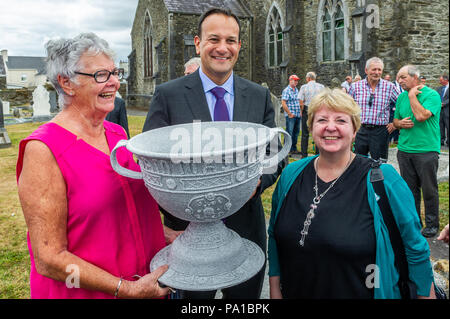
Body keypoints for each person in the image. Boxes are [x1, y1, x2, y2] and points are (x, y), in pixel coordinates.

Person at [142, 7, 285, 299]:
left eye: (231, 40)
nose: (223, 48)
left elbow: (273, 152)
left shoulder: (258, 95)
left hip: (245, 225)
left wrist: (258, 182)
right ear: (198, 43)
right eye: (214, 39)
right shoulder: (168, 95)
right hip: (186, 234)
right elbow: (149, 157)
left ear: (239, 46)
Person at [16, 33, 170, 299]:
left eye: (115, 72)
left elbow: (125, 210)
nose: (115, 82)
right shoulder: (43, 150)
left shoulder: (118, 135)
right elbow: (48, 258)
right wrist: (125, 289)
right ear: (67, 83)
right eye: (101, 75)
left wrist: (168, 235)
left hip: (146, 287)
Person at [268, 88, 436, 299]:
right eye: (322, 120)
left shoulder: (383, 179)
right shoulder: (291, 174)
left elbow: (415, 248)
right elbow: (274, 235)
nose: (331, 127)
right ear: (311, 127)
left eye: (341, 120)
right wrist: (274, 289)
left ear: (355, 130)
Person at [394, 65, 441, 238]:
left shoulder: (432, 95)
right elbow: (395, 121)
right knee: (409, 190)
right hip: (405, 150)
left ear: (416, 78)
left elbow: (421, 116)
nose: (399, 81)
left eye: (403, 77)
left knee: (429, 190)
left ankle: (431, 225)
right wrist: (399, 124)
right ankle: (414, 223)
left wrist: (413, 95)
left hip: (426, 150)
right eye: (398, 77)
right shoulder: (400, 97)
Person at [348, 57, 400, 160]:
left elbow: (402, 104)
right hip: (360, 130)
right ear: (366, 70)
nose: (377, 72)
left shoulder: (390, 87)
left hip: (380, 131)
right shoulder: (355, 87)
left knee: (380, 163)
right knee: (358, 161)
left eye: (379, 70)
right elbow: (347, 108)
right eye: (374, 69)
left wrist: (395, 123)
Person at [298, 72, 324, 158]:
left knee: (305, 134)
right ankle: (318, 154)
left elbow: (301, 101)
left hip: (307, 110)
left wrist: (301, 111)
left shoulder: (304, 87)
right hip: (318, 110)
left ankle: (304, 155)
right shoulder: (321, 87)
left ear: (308, 78)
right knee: (318, 132)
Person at [282, 74, 301, 155]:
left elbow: (299, 101)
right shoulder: (286, 90)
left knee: (296, 132)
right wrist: (289, 113)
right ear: (290, 80)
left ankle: (294, 148)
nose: (296, 82)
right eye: (295, 80)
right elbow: (283, 103)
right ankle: (287, 149)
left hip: (297, 115)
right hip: (291, 115)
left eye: (297, 80)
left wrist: (300, 111)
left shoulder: (296, 90)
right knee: (289, 132)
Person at [437, 75, 449, 146]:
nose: (440, 81)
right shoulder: (439, 88)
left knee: (448, 126)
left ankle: (448, 142)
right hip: (439, 111)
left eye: (441, 80)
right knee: (440, 126)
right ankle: (441, 140)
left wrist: (444, 103)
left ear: (446, 80)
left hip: (447, 110)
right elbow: (435, 96)